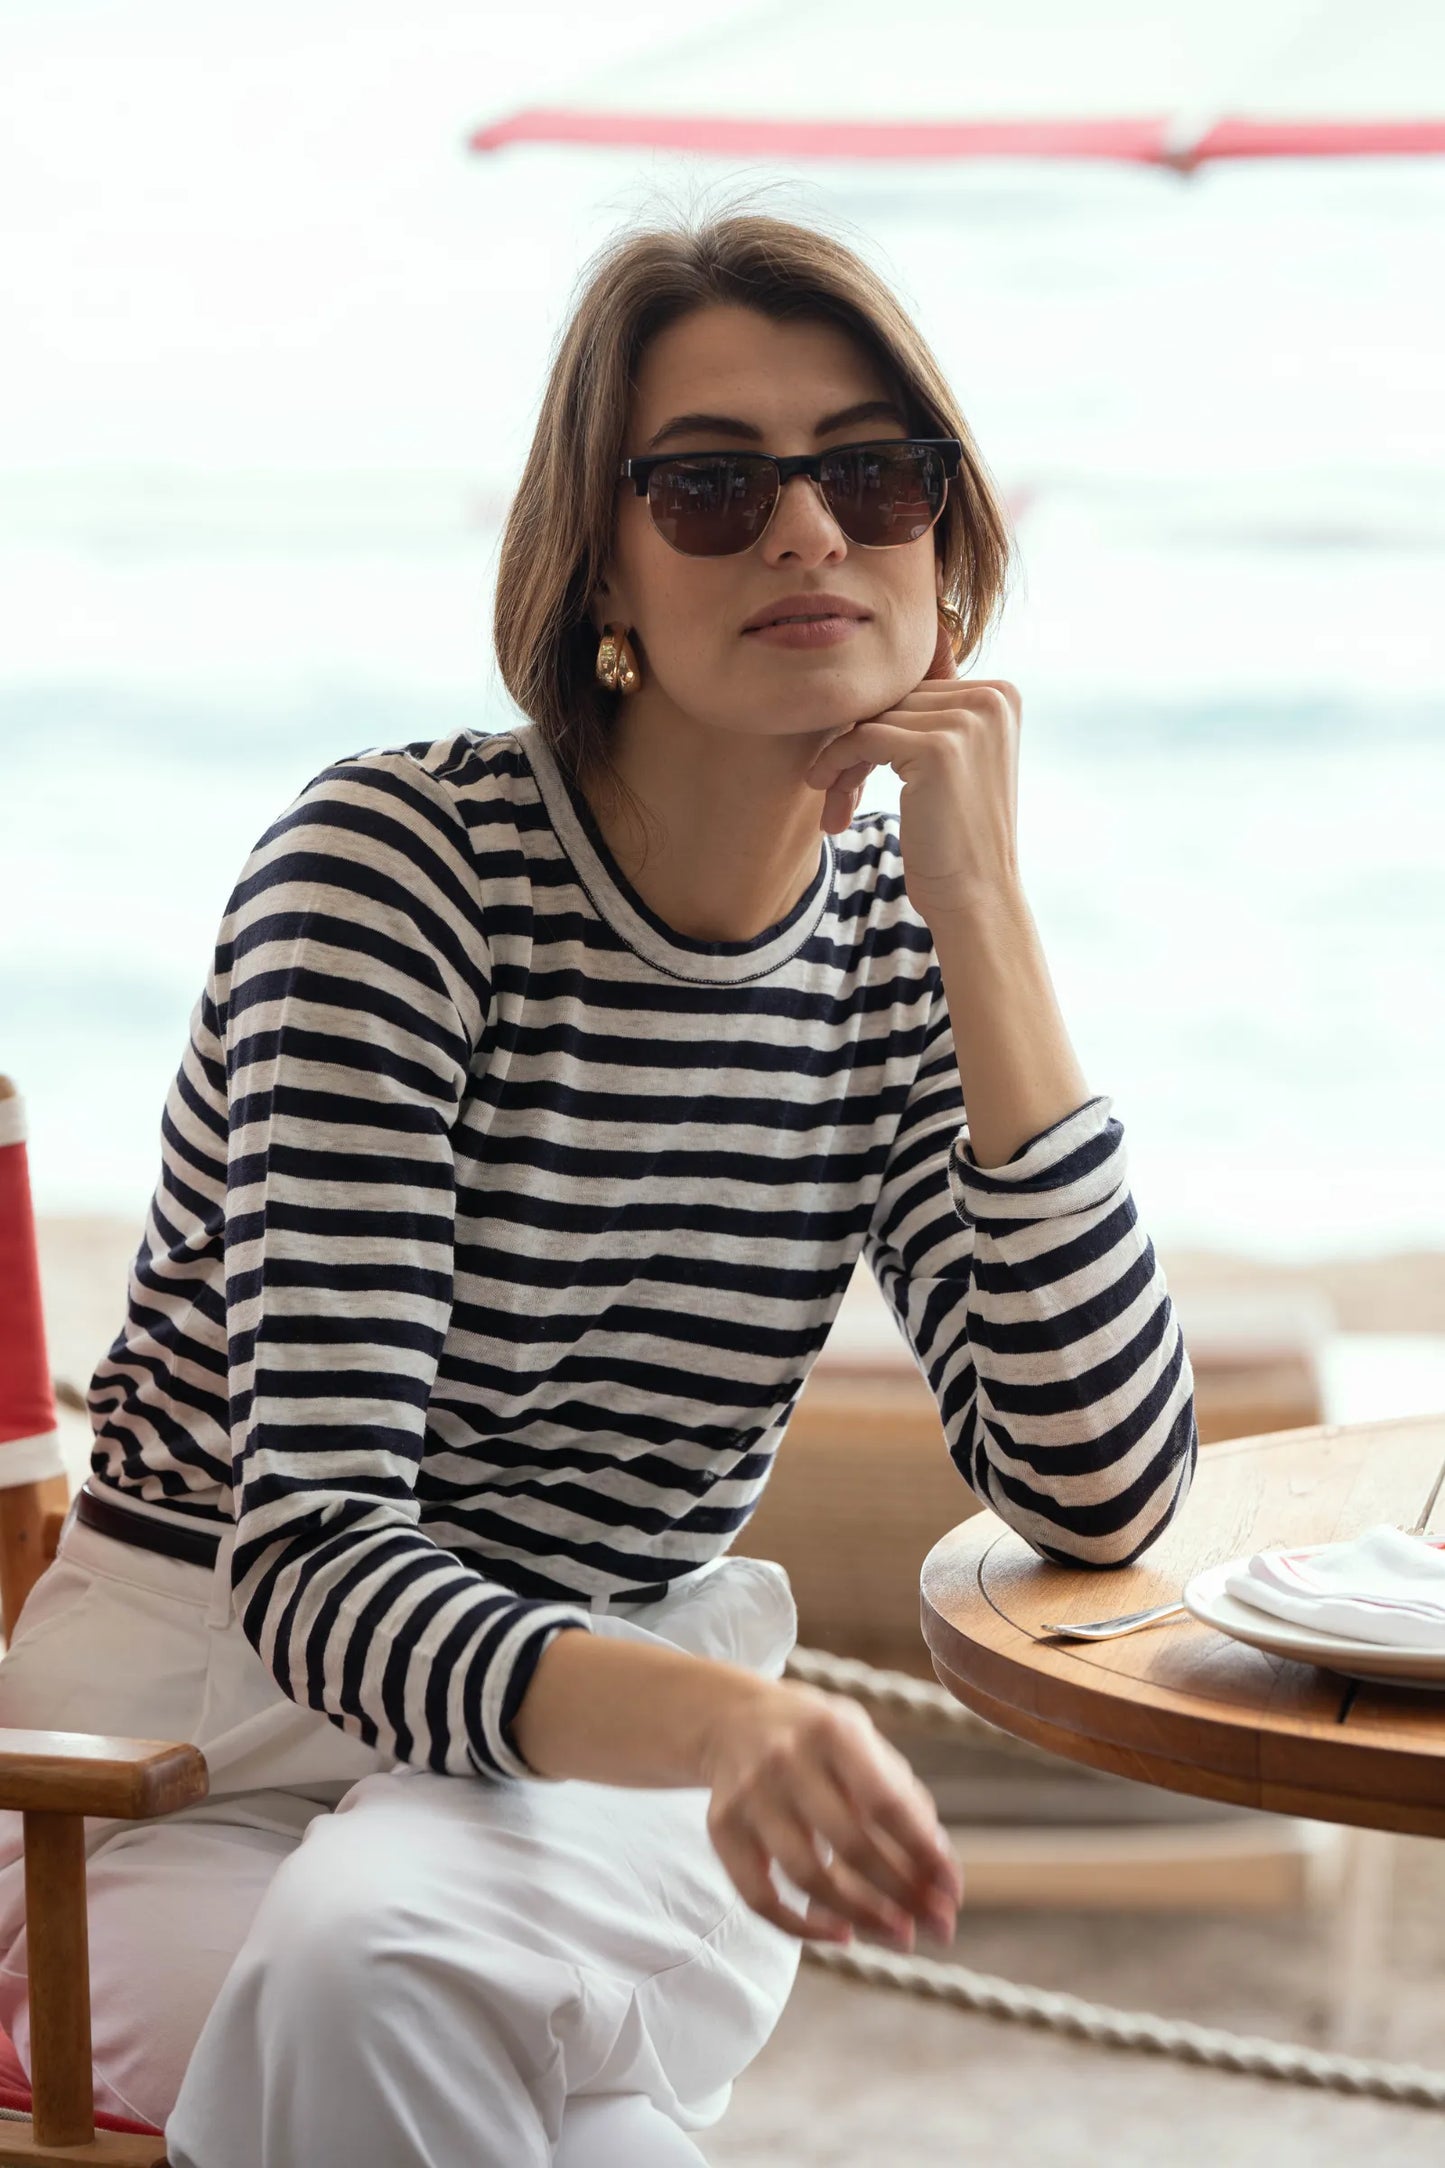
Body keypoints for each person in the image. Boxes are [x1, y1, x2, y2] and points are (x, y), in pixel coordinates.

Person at [0, 207, 1198, 2166]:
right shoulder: (391, 878)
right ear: (600, 565)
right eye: (714, 486)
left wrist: (981, 902)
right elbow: (313, 1567)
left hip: (584, 1807)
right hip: (186, 1778)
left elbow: (1097, 1485)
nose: (810, 532)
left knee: (383, 1970)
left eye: (874, 473)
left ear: (948, 548)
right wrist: (736, 1730)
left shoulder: (900, 947)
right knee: (483, 2061)